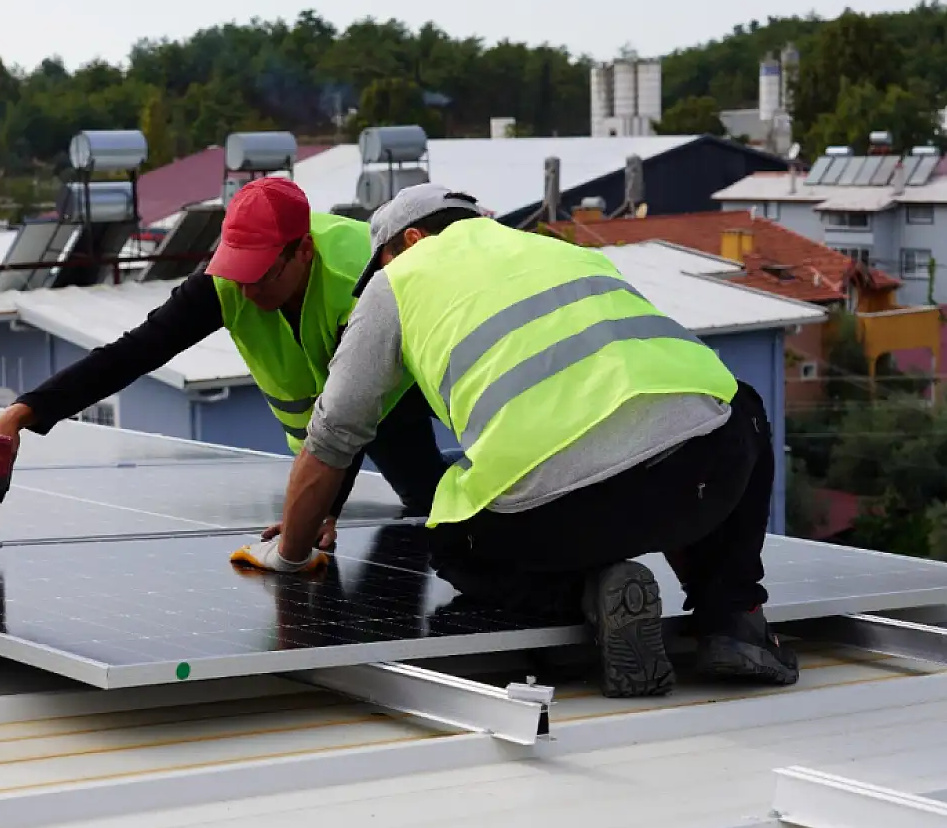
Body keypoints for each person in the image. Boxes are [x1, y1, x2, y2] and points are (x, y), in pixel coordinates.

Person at [228, 182, 800, 698]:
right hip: (704, 474)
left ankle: (586, 592)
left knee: (448, 531)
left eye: (378, 264)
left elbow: (332, 438)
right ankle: (734, 620)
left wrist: (291, 554)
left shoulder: (398, 281)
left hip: (555, 519)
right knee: (738, 405)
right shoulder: (567, 251)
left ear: (408, 239)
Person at [0, 177, 451, 540]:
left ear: (302, 251)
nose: (246, 288)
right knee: (421, 496)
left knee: (430, 502)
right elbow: (128, 354)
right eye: (237, 272)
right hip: (343, 408)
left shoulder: (362, 282)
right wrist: (20, 415)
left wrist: (323, 510)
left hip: (414, 362)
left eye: (259, 275)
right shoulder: (228, 284)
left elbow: (348, 413)